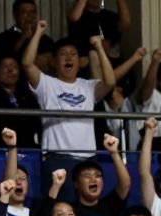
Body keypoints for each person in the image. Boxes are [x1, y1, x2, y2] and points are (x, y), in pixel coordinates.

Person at [23, 21, 116, 164]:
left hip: (88, 157)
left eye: (73, 54)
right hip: (57, 156)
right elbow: (27, 64)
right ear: (53, 62)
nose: (68, 57)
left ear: (79, 62)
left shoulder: (88, 86)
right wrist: (38, 33)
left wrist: (99, 48)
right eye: (63, 54)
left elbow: (110, 82)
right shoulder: (46, 84)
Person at [0, 0, 55, 73]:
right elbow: (1, 63)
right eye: (24, 12)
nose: (29, 16)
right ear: (16, 15)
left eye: (33, 12)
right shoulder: (2, 38)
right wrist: (23, 38)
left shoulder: (45, 39)